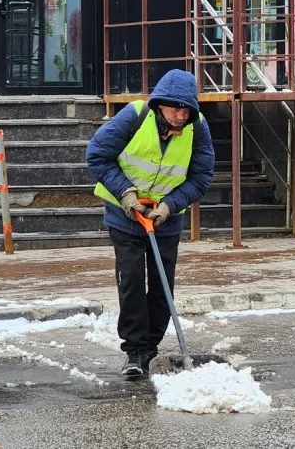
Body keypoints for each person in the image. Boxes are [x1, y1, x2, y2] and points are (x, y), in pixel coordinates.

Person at [86, 69, 215, 377]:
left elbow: (201, 178)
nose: (180, 115)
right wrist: (126, 194)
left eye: (186, 109)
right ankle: (133, 351)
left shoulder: (198, 128)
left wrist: (169, 206)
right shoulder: (134, 115)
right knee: (130, 279)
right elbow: (97, 155)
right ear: (160, 104)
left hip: (165, 220)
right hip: (125, 214)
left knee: (161, 286)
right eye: (174, 107)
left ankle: (151, 349)